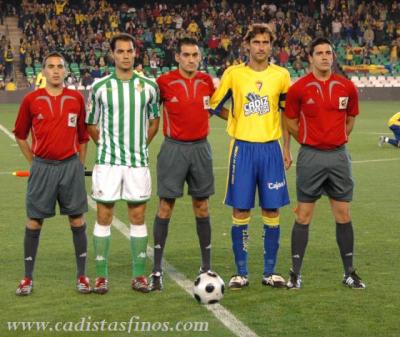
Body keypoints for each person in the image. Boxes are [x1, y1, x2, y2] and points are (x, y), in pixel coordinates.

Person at [210, 23, 292, 289]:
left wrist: (287, 149)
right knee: (241, 208)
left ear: (271, 46)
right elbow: (214, 105)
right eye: (256, 42)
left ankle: (270, 272)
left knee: (271, 208)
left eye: (266, 42)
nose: (261, 47)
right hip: (242, 149)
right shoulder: (233, 74)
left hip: (271, 149)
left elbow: (286, 114)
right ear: (247, 45)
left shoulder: (281, 75)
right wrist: (234, 119)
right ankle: (241, 273)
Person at [284, 37, 366, 289]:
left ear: (333, 56)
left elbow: (350, 118)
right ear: (310, 58)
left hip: (339, 157)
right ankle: (295, 273)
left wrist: (338, 138)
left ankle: (349, 272)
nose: (324, 56)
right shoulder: (299, 88)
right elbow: (290, 122)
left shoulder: (346, 86)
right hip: (311, 157)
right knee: (304, 215)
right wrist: (309, 140)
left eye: (328, 52)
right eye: (318, 52)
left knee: (343, 214)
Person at [85, 33, 160, 294]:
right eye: (121, 51)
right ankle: (102, 276)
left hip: (137, 162)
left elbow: (154, 123)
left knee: (137, 216)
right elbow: (91, 124)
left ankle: (138, 275)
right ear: (113, 54)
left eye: (130, 51)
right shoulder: (100, 87)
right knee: (104, 215)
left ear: (135, 54)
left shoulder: (149, 86)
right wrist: (106, 147)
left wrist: (139, 146)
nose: (126, 55)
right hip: (107, 163)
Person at [13, 51, 90, 296]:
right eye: (50, 66)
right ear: (43, 71)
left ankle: (82, 276)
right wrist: (34, 162)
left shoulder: (76, 98)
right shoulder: (31, 100)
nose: (56, 71)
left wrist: (80, 164)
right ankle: (27, 278)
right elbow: (20, 134)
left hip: (70, 167)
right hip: (43, 168)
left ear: (66, 71)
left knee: (77, 220)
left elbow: (83, 136)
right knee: (34, 221)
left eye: (60, 67)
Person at [149, 37, 215, 291]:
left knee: (202, 205)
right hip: (173, 148)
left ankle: (206, 265)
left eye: (194, 55)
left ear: (199, 57)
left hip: (201, 148)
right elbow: (149, 112)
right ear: (177, 57)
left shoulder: (206, 82)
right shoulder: (164, 83)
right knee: (165, 206)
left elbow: (216, 107)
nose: (190, 59)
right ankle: (156, 270)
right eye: (186, 55)